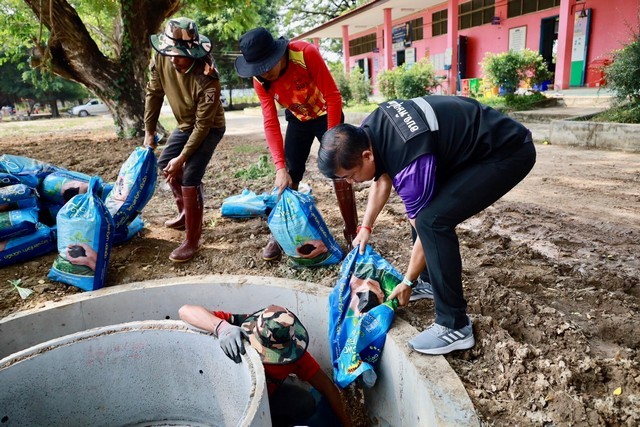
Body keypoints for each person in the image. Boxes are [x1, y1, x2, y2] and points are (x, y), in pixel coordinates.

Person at [318, 95, 536, 355]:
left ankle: (454, 325)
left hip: (506, 151)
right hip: (474, 144)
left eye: (350, 176)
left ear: (366, 156)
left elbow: (423, 228)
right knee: (423, 210)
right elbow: (382, 178)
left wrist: (407, 282)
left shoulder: (410, 161)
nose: (352, 183)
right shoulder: (369, 129)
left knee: (432, 221)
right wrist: (365, 227)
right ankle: (430, 282)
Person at [234, 27, 358, 261]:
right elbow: (270, 122)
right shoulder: (261, 80)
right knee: (290, 173)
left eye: (267, 66)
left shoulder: (304, 53)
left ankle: (352, 232)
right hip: (299, 118)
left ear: (278, 55)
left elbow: (333, 96)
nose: (264, 74)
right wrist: (280, 167)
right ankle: (281, 234)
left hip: (326, 114)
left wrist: (331, 140)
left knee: (340, 168)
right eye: (258, 70)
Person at [179, 304, 351, 427]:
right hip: (225, 397)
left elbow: (327, 387)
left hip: (263, 400)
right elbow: (185, 311)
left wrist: (347, 424)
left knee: (304, 403)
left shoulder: (295, 355)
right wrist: (221, 327)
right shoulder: (240, 325)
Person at [143, 17, 226, 263]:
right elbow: (154, 92)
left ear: (193, 53)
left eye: (179, 55)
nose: (172, 59)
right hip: (185, 124)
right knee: (164, 163)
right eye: (169, 52)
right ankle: (185, 213)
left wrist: (183, 158)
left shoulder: (208, 78)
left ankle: (192, 240)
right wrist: (149, 131)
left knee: (190, 175)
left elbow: (203, 126)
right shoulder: (161, 56)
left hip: (209, 127)